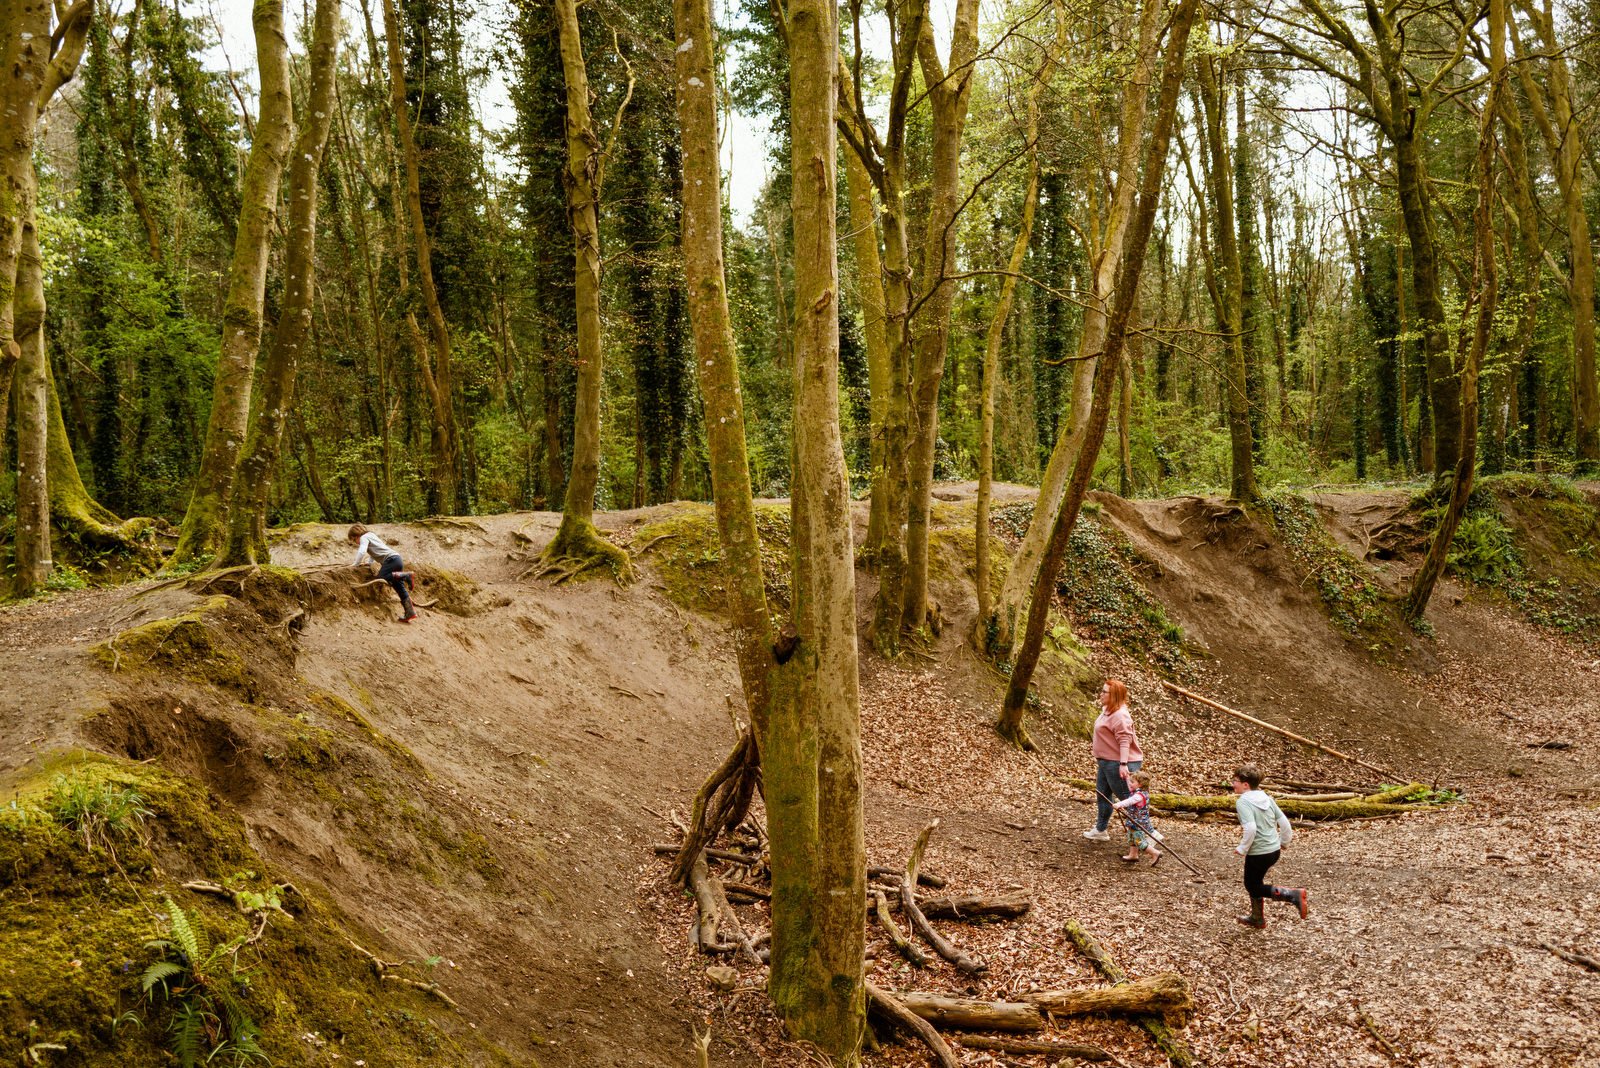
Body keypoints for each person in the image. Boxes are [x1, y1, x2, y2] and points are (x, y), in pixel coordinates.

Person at [1231, 764, 1309, 928]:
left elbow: (1251, 828)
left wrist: (1242, 848)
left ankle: (1292, 895)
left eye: (1235, 780)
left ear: (1246, 785)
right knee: (1256, 882)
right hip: (1274, 851)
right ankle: (1257, 918)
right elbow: (1285, 824)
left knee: (1253, 886)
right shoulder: (1267, 798)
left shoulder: (1243, 802)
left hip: (1259, 853)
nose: (1232, 784)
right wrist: (1284, 842)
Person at [1084, 678, 1144, 841]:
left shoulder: (1121, 715)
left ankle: (1147, 835)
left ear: (1114, 695)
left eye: (1104, 692)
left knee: (1130, 801)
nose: (1101, 694)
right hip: (1105, 762)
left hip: (1118, 764)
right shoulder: (1107, 710)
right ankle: (1100, 829)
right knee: (1102, 795)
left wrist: (1123, 764)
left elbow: (1125, 741)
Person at [347, 524, 417, 622]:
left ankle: (407, 576)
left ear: (357, 535)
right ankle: (410, 612)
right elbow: (375, 552)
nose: (356, 543)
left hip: (391, 560)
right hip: (397, 559)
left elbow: (362, 552)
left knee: (382, 577)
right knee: (399, 587)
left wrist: (356, 564)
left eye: (354, 540)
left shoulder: (363, 537)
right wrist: (369, 563)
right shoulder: (371, 535)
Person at [1112, 770, 1162, 865]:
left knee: (1139, 841)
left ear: (1140, 784)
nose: (1129, 784)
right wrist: (1127, 777)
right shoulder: (1140, 791)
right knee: (1131, 838)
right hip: (1134, 821)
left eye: (1132, 782)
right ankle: (1133, 855)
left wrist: (1118, 804)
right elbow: (1130, 786)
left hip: (1138, 822)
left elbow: (1129, 801)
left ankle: (1155, 853)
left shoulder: (1139, 796)